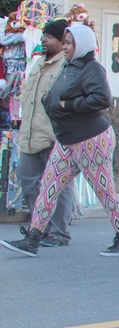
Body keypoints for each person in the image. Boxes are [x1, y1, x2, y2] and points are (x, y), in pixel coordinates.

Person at [1, 23, 119, 257]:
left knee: (105, 191)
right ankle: (33, 239)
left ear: (82, 44)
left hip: (90, 139)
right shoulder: (70, 66)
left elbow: (102, 98)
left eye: (70, 43)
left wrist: (68, 106)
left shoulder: (92, 68)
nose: (65, 47)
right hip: (66, 140)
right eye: (65, 42)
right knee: (48, 187)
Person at [14, 18, 74, 247]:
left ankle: (59, 233)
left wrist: (59, 132)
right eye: (43, 37)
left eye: (49, 37)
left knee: (60, 186)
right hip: (31, 135)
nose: (44, 40)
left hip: (54, 137)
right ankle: (41, 228)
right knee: (28, 180)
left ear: (61, 41)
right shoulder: (38, 63)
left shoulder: (66, 66)